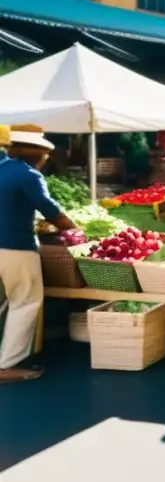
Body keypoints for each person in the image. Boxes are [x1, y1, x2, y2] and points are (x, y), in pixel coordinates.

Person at [0, 125, 77, 383]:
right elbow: (51, 211)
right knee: (25, 302)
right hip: (15, 248)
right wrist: (74, 229)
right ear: (38, 155)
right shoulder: (26, 174)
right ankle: (7, 365)